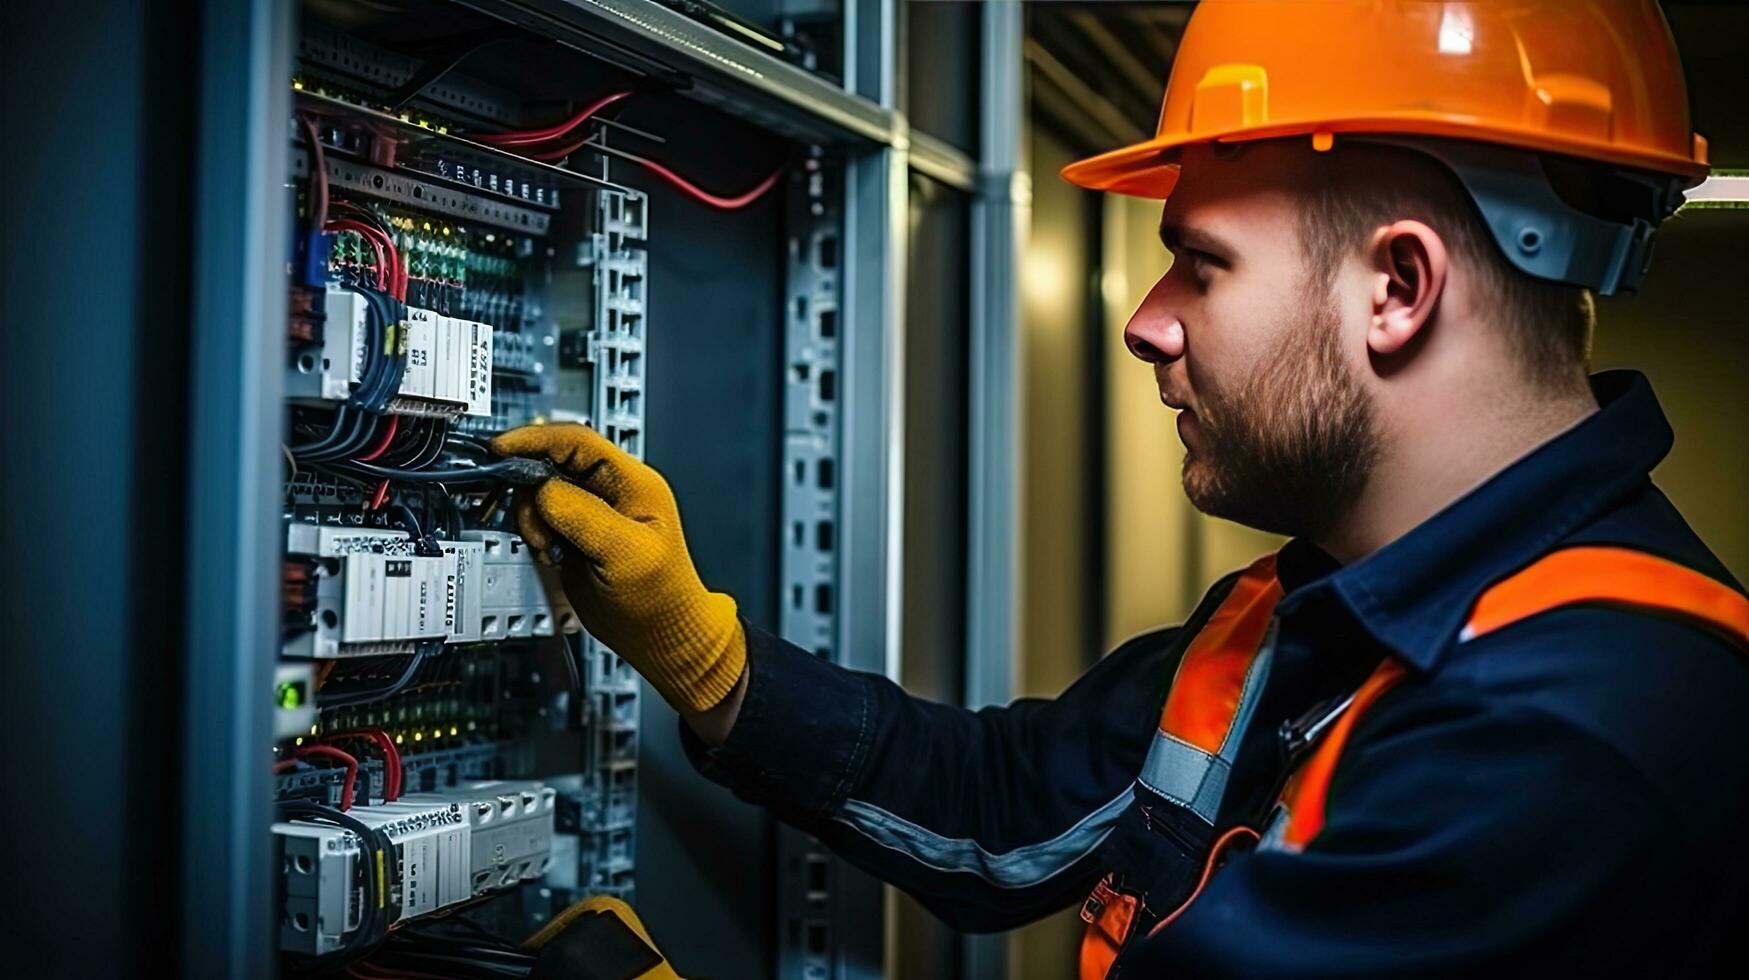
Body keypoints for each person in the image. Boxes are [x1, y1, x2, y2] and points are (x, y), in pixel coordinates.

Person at [495, 1, 1749, 974]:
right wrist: (697, 647)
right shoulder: (1299, 616)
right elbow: (1005, 808)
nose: (1146, 323)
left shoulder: (1579, 728)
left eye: (1201, 264)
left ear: (1398, 290)